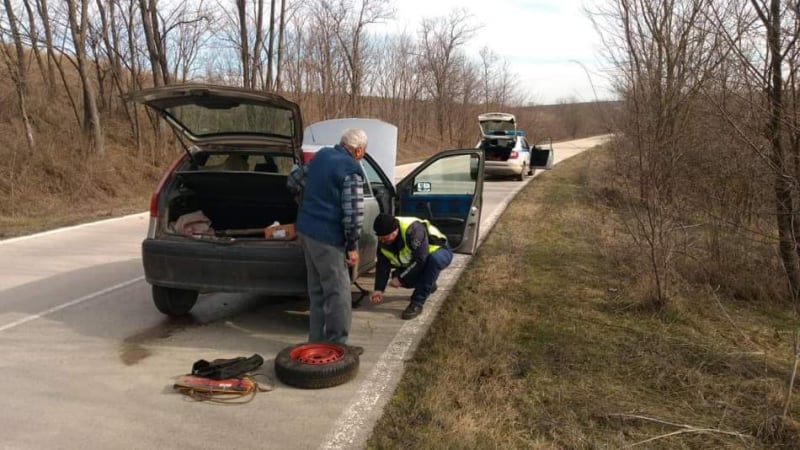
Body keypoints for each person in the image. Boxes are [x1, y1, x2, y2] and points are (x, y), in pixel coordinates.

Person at [288, 128, 367, 346]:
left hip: (305, 231)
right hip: (328, 239)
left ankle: (316, 341)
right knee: (338, 293)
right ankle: (337, 346)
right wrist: (352, 245)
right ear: (358, 150)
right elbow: (353, 214)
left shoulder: (321, 155)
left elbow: (293, 180)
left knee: (316, 290)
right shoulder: (351, 169)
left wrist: (307, 204)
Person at [369, 213, 453, 320]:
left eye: (386, 238)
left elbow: (420, 259)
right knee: (398, 276)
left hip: (440, 251)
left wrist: (401, 278)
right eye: (381, 238)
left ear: (395, 231)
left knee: (433, 261)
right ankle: (429, 283)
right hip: (418, 260)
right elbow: (382, 265)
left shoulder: (413, 230)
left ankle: (417, 303)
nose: (384, 241)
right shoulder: (383, 241)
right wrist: (379, 289)